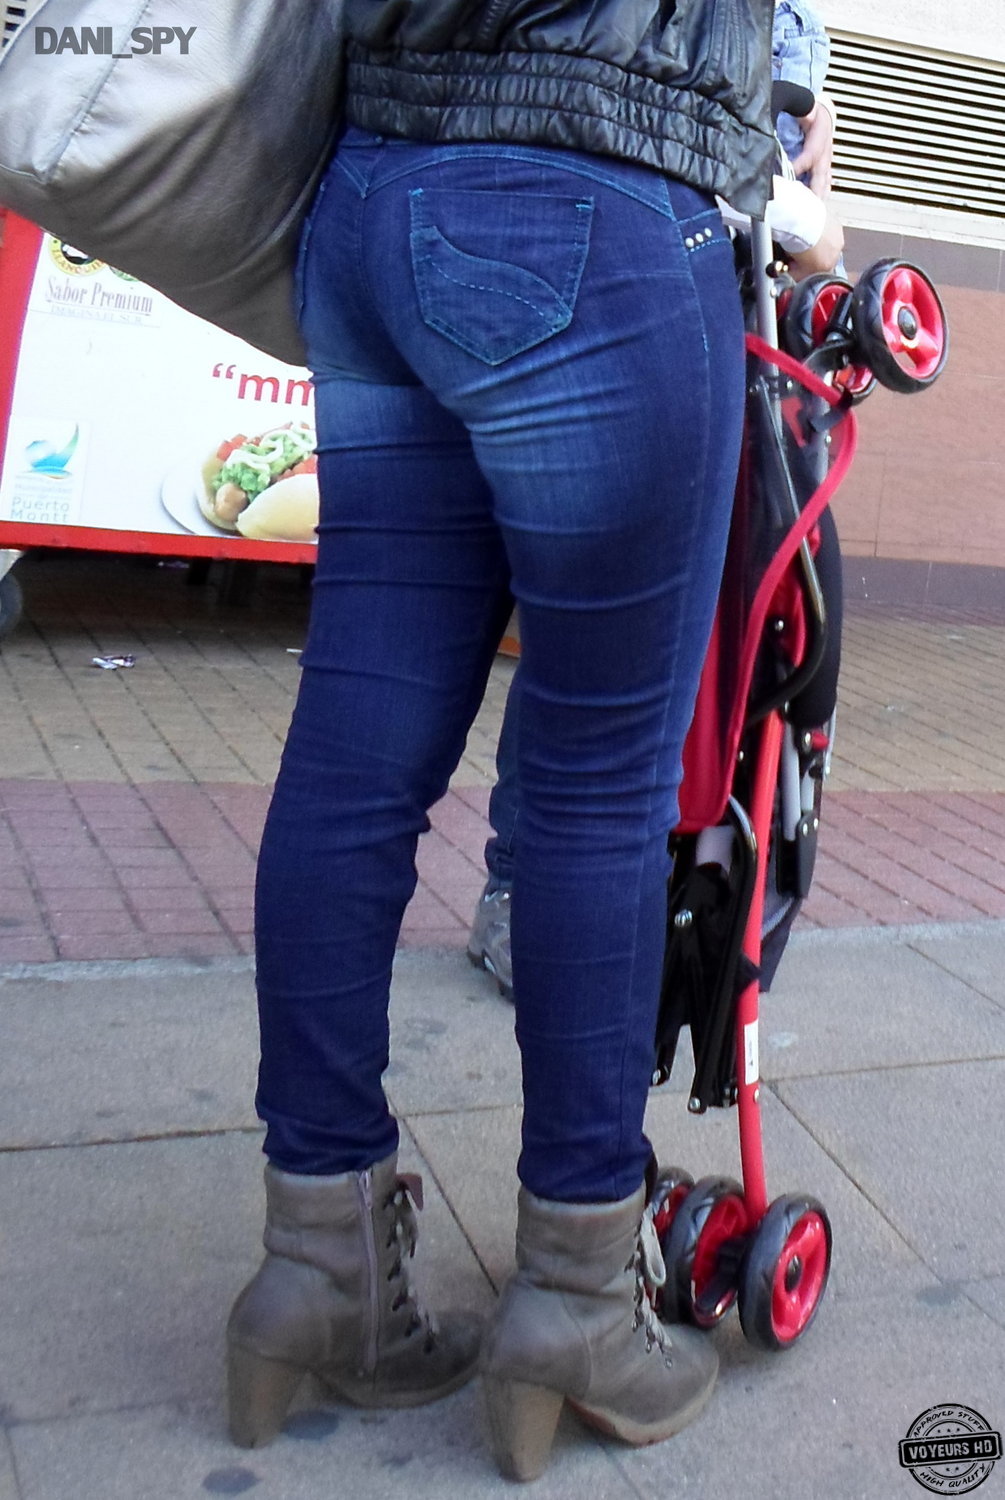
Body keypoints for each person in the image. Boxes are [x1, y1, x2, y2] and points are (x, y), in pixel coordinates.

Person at [227, 0, 780, 1481]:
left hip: (377, 189)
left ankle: (316, 1266)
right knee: (599, 792)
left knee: (354, 757)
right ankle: (577, 1301)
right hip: (602, 189)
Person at [469, 0, 841, 1000]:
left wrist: (805, 195)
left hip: (732, 341)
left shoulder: (796, 27)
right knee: (591, 633)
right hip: (621, 278)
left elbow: (803, 208)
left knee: (692, 646)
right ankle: (521, 897)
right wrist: (797, 214)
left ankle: (635, 906)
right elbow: (645, 116)